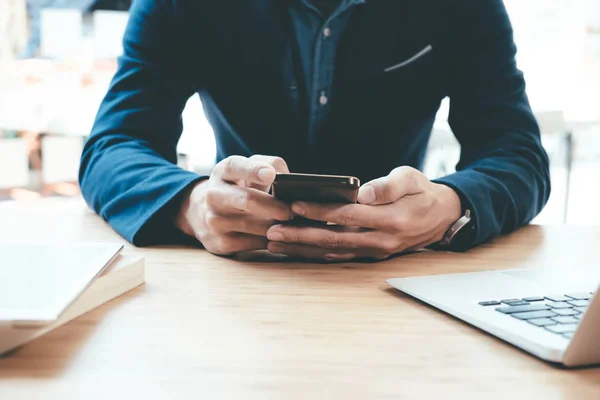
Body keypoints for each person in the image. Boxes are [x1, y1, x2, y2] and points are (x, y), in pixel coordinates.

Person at [79, 0, 551, 261]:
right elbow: (112, 146)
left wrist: (449, 207)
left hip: (403, 279)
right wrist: (193, 204)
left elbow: (516, 154)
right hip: (240, 273)